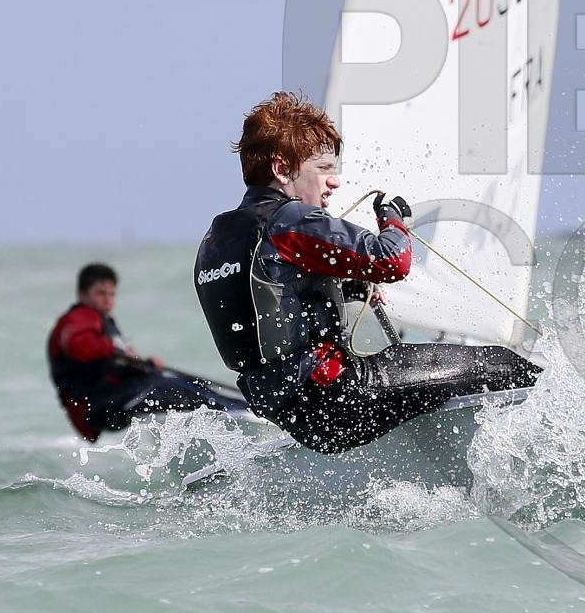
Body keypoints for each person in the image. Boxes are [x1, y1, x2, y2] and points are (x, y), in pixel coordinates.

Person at [193, 92, 542, 455]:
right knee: (504, 364)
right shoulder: (289, 220)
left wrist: (349, 290)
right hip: (339, 393)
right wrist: (393, 221)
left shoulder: (216, 239)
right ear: (281, 169)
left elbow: (264, 302)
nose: (334, 181)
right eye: (323, 169)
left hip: (293, 412)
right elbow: (392, 260)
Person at [45, 263, 246, 442]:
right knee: (170, 387)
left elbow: (109, 364)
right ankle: (239, 415)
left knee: (186, 384)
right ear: (82, 295)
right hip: (97, 405)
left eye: (111, 294)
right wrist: (119, 351)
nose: (107, 300)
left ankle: (239, 411)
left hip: (110, 399)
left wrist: (143, 365)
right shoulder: (80, 317)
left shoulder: (99, 322)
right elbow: (76, 345)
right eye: (100, 293)